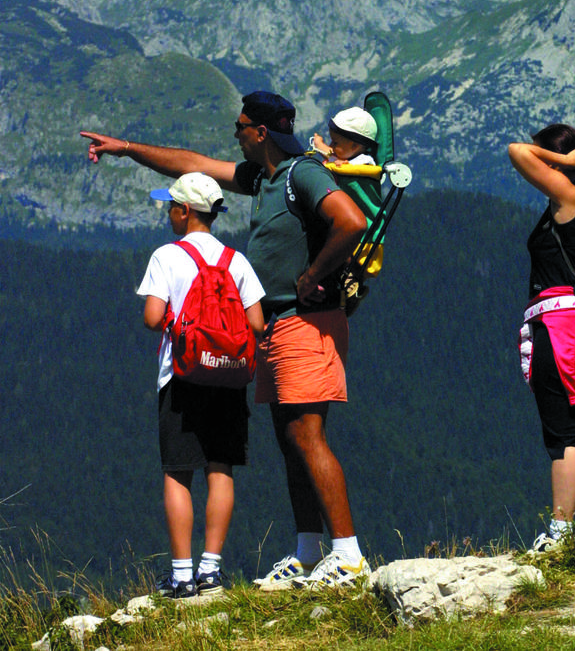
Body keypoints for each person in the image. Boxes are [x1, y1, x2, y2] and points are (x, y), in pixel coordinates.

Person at [81, 90, 369, 590]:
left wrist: (313, 275)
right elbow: (192, 164)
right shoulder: (264, 178)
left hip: (307, 318)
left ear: (260, 132)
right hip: (277, 324)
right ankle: (307, 553)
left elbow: (352, 221)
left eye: (240, 127)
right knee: (289, 439)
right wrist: (126, 148)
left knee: (307, 434)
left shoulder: (303, 174)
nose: (234, 135)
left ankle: (348, 555)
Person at [138, 172, 265, 598]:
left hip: (183, 376)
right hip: (228, 377)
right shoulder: (236, 260)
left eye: (171, 205)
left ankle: (180, 575)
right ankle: (211, 570)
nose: (168, 212)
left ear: (185, 211)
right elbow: (257, 324)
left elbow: (153, 318)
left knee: (177, 472)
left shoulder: (166, 257)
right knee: (220, 468)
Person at [508, 123, 575, 551]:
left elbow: (517, 152)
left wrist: (564, 162)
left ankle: (559, 532)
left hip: (559, 330)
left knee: (564, 435)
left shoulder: (568, 198)